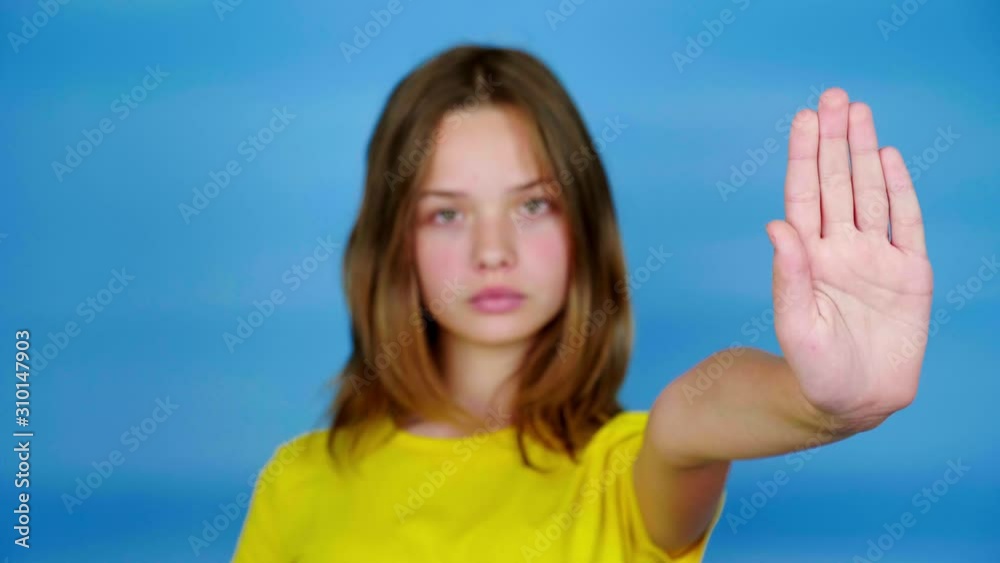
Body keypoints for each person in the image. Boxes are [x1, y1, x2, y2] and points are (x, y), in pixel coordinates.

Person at [231, 44, 933, 562]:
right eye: (446, 213)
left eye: (532, 204)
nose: (492, 250)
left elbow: (691, 416)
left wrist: (827, 401)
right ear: (395, 244)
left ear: (583, 227)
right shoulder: (297, 481)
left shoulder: (627, 470)